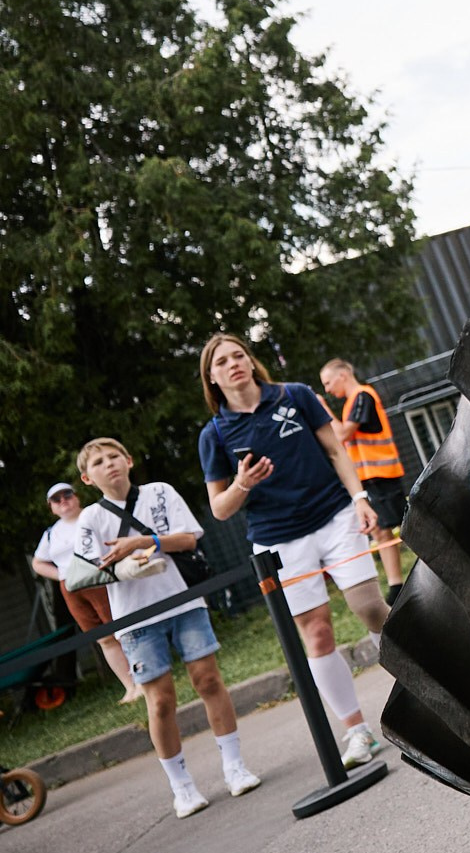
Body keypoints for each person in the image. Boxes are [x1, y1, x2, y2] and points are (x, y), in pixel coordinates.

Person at [197, 334, 389, 769]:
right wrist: (243, 484)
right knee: (317, 633)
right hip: (278, 539)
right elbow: (220, 509)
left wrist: (360, 498)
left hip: (336, 515)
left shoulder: (295, 395)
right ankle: (357, 731)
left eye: (238, 356)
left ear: (250, 361)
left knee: (369, 607)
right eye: (222, 361)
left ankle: (432, 691)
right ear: (212, 377)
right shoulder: (214, 434)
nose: (233, 365)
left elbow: (336, 449)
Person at [72, 438, 259, 817]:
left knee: (208, 680)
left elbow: (189, 538)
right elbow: (85, 570)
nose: (109, 465)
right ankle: (182, 787)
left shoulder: (159, 492)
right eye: (98, 463)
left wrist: (146, 542)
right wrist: (123, 562)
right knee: (160, 701)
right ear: (86, 478)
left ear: (128, 460)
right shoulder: (90, 519)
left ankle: (234, 766)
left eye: (114, 457)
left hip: (183, 600)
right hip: (135, 618)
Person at [29, 482, 141, 703]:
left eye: (67, 495)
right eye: (56, 499)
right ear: (50, 506)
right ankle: (129, 687)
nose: (63, 501)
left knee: (122, 630)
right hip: (72, 588)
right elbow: (38, 563)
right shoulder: (51, 533)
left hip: (99, 579)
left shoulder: (93, 516)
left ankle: (143, 680)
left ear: (76, 496)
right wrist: (62, 574)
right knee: (103, 638)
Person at [320, 359, 408, 606]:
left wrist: (323, 410)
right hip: (368, 477)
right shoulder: (352, 402)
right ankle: (396, 586)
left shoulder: (362, 395)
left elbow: (342, 434)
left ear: (343, 375)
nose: (327, 389)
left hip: (381, 474)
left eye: (328, 382)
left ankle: (417, 576)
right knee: (382, 531)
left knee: (398, 527)